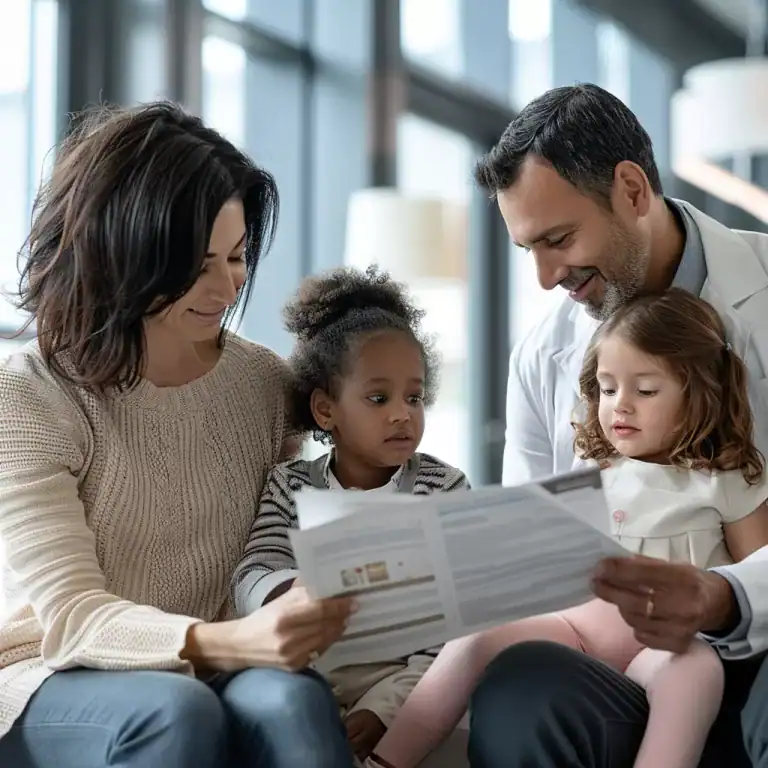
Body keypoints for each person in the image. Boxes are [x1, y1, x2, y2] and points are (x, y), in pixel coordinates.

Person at [0, 101, 359, 768]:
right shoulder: (28, 394)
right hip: (47, 672)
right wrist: (236, 641)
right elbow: (73, 618)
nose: (227, 287)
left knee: (293, 702)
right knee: (174, 710)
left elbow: (298, 524)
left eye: (237, 256)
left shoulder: (262, 383)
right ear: (127, 253)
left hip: (216, 662)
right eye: (198, 265)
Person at [466, 82, 768, 768]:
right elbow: (535, 539)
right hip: (631, 657)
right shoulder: (542, 354)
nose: (546, 276)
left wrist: (724, 597)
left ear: (631, 190)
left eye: (559, 239)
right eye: (529, 249)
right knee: (521, 689)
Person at [366, 288, 768, 768]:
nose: (620, 406)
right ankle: (383, 761)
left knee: (696, 675)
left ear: (701, 393)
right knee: (476, 635)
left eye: (645, 390)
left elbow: (755, 575)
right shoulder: (592, 468)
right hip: (576, 628)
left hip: (666, 645)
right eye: (608, 389)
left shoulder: (725, 480)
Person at [230, 265, 471, 764]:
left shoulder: (443, 488)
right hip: (303, 676)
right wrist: (294, 589)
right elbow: (254, 570)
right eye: (378, 398)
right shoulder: (290, 484)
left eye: (414, 397)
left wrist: (387, 707)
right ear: (325, 410)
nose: (402, 413)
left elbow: (458, 624)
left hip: (410, 679)